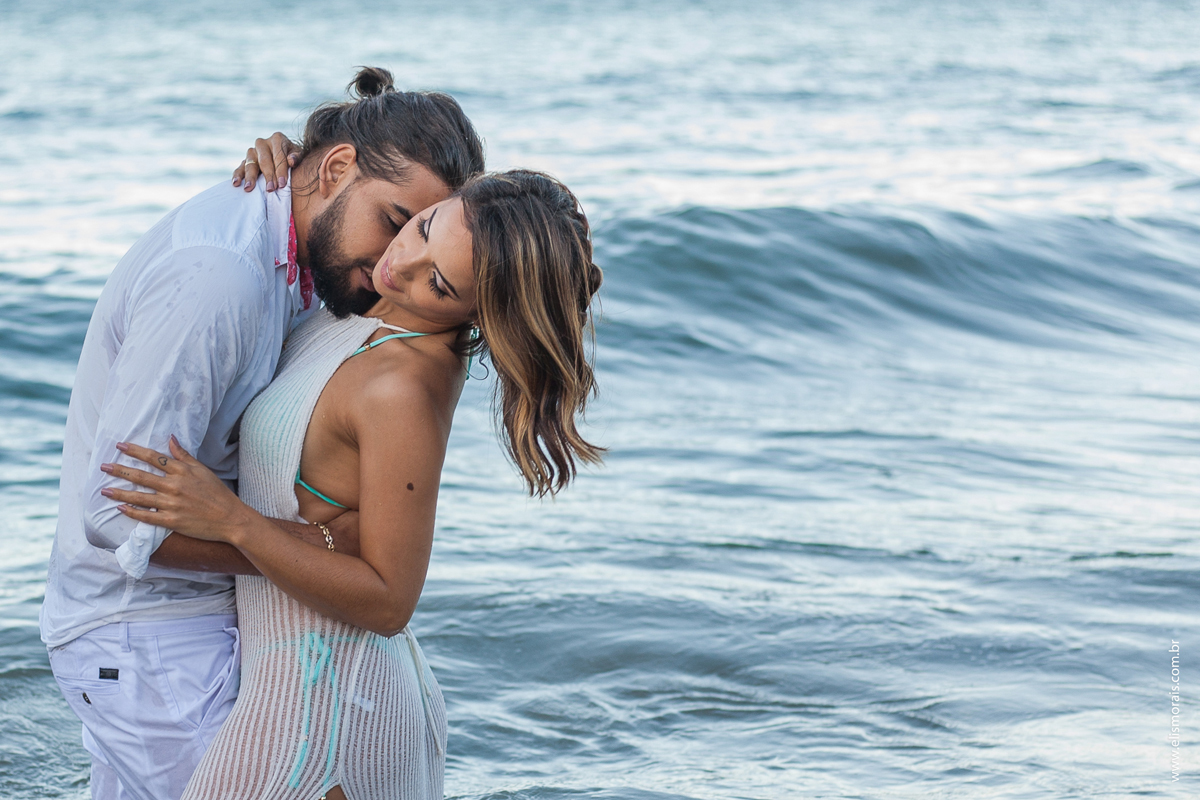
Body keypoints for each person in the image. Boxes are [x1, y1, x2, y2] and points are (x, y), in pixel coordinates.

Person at [41, 67, 485, 800]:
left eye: (417, 232)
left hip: (195, 630)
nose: (390, 265)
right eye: (394, 219)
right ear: (337, 168)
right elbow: (115, 519)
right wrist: (280, 537)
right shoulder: (221, 280)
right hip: (151, 637)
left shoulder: (302, 248)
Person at [101, 168, 604, 800]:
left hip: (325, 716)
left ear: (481, 314)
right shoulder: (375, 310)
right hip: (300, 692)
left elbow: (390, 600)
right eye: (421, 228)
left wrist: (233, 520)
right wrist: (294, 158)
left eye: (439, 284)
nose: (403, 266)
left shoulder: (403, 388)